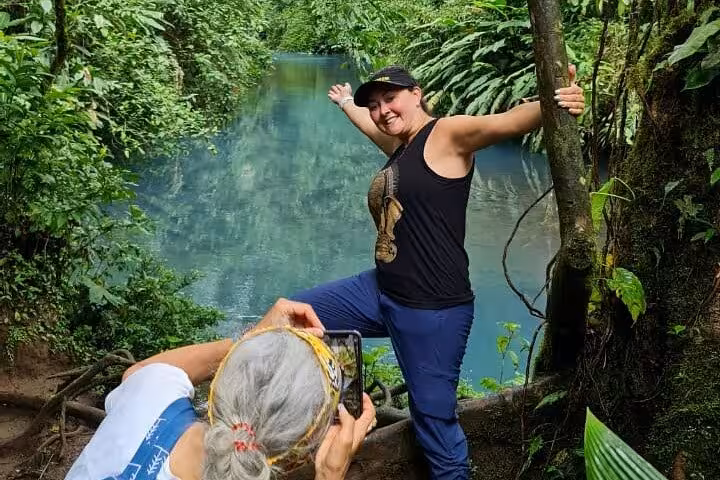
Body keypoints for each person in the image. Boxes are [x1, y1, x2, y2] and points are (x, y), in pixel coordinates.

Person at [291, 64, 584, 479]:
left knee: (432, 420)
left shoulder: (447, 135)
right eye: (374, 106)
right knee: (295, 318)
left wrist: (557, 100)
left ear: (416, 93)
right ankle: (344, 417)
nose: (382, 112)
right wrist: (345, 104)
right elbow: (371, 127)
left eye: (389, 99)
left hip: (431, 310)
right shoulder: (401, 145)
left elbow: (506, 122)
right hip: (380, 291)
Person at [65, 298, 377, 480]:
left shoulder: (150, 396)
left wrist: (250, 337)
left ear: (221, 383)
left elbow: (139, 374)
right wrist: (329, 475)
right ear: (299, 457)